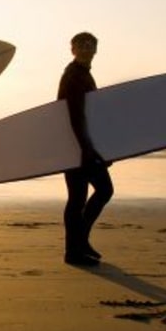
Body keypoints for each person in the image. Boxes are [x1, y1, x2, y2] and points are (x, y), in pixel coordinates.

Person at [59, 30, 113, 265]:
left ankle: (78, 245)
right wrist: (87, 149)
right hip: (78, 147)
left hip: (79, 145)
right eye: (81, 44)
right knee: (99, 192)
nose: (86, 47)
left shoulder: (83, 74)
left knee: (79, 198)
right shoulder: (73, 76)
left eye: (90, 44)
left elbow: (91, 116)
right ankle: (75, 247)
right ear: (72, 49)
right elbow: (75, 116)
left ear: (96, 50)